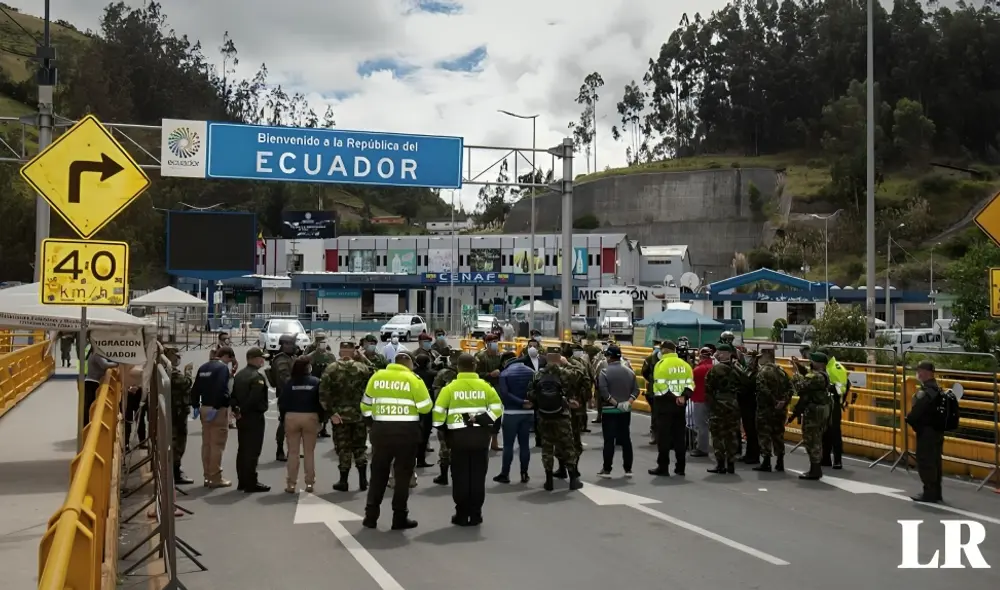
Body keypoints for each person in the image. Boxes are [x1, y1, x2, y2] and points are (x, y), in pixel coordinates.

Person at [361, 353, 432, 530]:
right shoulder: (413, 379)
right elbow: (426, 407)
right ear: (409, 365)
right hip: (406, 433)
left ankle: (371, 516)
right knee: (402, 476)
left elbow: (365, 406)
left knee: (378, 474)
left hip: (381, 432)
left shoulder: (377, 377)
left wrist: (372, 424)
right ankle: (399, 517)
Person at [433, 353, 503, 526]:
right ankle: (476, 514)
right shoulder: (485, 386)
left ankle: (462, 514)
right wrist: (482, 420)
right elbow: (498, 408)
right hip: (480, 438)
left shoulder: (449, 388)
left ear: (458, 368)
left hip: (458, 439)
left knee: (460, 477)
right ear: (475, 367)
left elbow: (438, 414)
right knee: (478, 477)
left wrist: (444, 430)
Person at [527, 346, 583, 492]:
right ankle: (573, 479)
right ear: (559, 357)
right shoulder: (565, 372)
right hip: (562, 415)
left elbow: (530, 393)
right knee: (567, 446)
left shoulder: (538, 375)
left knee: (547, 448)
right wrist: (566, 363)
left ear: (546, 357)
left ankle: (549, 481)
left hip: (544, 415)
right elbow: (580, 373)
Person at [322, 342, 374, 491]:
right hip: (359, 415)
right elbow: (374, 377)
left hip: (340, 417)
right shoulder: (362, 368)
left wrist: (331, 413)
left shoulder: (331, 369)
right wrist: (363, 358)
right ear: (353, 352)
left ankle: (343, 481)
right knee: (359, 447)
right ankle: (363, 480)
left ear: (340, 352)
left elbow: (323, 393)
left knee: (343, 448)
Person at [191, 346, 236, 488]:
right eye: (230, 360)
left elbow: (195, 389)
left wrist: (195, 406)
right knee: (217, 445)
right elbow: (221, 389)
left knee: (207, 444)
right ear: (227, 356)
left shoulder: (204, 367)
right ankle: (215, 477)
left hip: (204, 407)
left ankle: (207, 476)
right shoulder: (222, 369)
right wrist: (217, 407)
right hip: (217, 409)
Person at [648, 341, 694, 477]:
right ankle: (680, 467)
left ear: (665, 350)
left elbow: (661, 386)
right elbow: (690, 384)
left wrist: (674, 397)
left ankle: (663, 467)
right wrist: (683, 397)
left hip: (664, 406)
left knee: (664, 438)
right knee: (680, 437)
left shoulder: (661, 365)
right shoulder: (685, 365)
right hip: (680, 407)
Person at [280, 356, 323, 493]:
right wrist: (321, 419)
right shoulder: (316, 382)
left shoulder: (289, 382)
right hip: (310, 417)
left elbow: (282, 402)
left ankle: (291, 484)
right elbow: (321, 402)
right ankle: (309, 483)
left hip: (291, 416)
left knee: (293, 452)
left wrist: (283, 418)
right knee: (309, 452)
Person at [905, 360, 946, 503]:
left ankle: (929, 493)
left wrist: (908, 419)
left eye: (920, 371)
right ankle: (936, 492)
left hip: (927, 432)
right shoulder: (939, 390)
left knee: (926, 462)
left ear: (926, 373)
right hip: (938, 432)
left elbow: (916, 412)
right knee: (936, 462)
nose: (918, 373)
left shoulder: (926, 392)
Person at [231, 347, 270, 493]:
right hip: (253, 417)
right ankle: (251, 482)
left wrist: (237, 410)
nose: (263, 361)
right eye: (261, 358)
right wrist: (243, 411)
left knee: (243, 449)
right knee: (252, 451)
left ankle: (242, 480)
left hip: (242, 417)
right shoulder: (256, 377)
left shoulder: (240, 375)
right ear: (254, 359)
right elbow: (254, 399)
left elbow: (233, 396)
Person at [788, 352, 832, 480]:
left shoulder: (816, 377)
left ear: (819, 364)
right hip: (820, 411)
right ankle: (815, 468)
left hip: (814, 413)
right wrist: (799, 365)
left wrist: (795, 373)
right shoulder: (821, 375)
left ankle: (815, 470)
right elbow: (807, 373)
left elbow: (799, 387)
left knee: (812, 440)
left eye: (812, 361)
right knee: (815, 439)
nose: (810, 363)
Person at [596, 345, 638, 478]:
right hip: (625, 411)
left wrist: (616, 403)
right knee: (626, 439)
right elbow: (636, 390)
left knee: (609, 440)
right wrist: (627, 403)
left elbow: (603, 391)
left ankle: (607, 469)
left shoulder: (604, 372)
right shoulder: (630, 372)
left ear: (609, 357)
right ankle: (628, 469)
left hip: (610, 411)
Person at [495, 354, 534, 483]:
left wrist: (520, 401)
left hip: (511, 413)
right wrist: (528, 402)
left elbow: (504, 394)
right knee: (524, 445)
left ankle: (505, 474)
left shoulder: (505, 373)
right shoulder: (532, 372)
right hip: (528, 413)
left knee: (508, 445)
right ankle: (524, 473)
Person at [705, 344, 743, 474]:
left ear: (727, 353)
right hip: (733, 405)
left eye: (721, 352)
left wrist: (712, 405)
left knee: (717, 435)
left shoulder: (716, 369)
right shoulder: (738, 369)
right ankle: (731, 463)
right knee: (731, 435)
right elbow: (744, 385)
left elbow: (708, 388)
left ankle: (720, 464)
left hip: (719, 405)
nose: (718, 355)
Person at [752, 348, 792, 472]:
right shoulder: (782, 371)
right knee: (778, 435)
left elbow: (762, 389)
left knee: (764, 434)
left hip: (766, 409)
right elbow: (790, 388)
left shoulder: (763, 372)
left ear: (766, 356)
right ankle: (780, 461)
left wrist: (774, 401)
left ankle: (766, 461)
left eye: (760, 357)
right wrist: (783, 401)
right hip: (780, 410)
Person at [430, 349, 463, 485]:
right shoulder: (468, 375)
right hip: (462, 416)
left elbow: (436, 395)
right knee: (460, 446)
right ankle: (459, 475)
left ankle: (444, 476)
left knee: (444, 446)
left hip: (445, 416)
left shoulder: (442, 374)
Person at [164, 348, 194, 485]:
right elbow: (185, 383)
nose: (178, 359)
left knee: (175, 440)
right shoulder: (171, 371)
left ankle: (175, 469)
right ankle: (176, 472)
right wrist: (189, 372)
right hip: (177, 412)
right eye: (176, 356)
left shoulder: (165, 369)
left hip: (175, 410)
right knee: (178, 442)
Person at [269, 334, 297, 462]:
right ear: (285, 345)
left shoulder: (288, 358)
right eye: (292, 344)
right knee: (284, 422)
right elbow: (284, 380)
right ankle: (279, 449)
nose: (294, 346)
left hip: (292, 395)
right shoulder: (281, 360)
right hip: (286, 396)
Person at [475, 334, 504, 451]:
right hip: (484, 387)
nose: (494, 343)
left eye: (496, 341)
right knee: (483, 414)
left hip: (497, 387)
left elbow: (505, 368)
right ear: (486, 343)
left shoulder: (500, 356)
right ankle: (481, 441)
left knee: (497, 414)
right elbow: (476, 373)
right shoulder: (480, 356)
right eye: (491, 341)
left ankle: (495, 442)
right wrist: (489, 375)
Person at [821, 352, 850, 469]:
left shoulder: (834, 368)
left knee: (834, 432)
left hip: (834, 403)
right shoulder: (828, 367)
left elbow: (842, 387)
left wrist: (829, 387)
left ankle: (837, 460)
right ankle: (826, 458)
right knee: (826, 432)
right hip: (828, 403)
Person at [307, 334, 336, 439]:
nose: (323, 344)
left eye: (324, 342)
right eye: (321, 342)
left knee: (325, 407)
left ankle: (323, 428)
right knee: (316, 407)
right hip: (315, 383)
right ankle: (315, 428)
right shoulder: (311, 354)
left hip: (327, 384)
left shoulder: (330, 355)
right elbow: (305, 364)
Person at [412, 351, 437, 468]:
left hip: (413, 406)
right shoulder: (431, 374)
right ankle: (421, 459)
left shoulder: (412, 374)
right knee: (425, 433)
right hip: (427, 406)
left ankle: (413, 457)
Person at [85, 349, 118, 430]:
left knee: (89, 406)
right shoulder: (97, 354)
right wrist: (118, 363)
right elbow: (104, 365)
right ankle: (87, 427)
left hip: (92, 382)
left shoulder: (95, 353)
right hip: (92, 383)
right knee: (90, 407)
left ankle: (87, 426)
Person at [690, 347, 713, 457]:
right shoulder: (713, 367)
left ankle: (702, 448)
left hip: (700, 398)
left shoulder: (698, 369)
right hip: (711, 399)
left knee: (701, 424)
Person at [640, 341, 662, 446]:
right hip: (655, 392)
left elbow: (644, 373)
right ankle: (655, 435)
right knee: (655, 415)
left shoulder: (652, 359)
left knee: (657, 414)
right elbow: (644, 372)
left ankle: (658, 435)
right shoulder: (650, 360)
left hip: (659, 391)